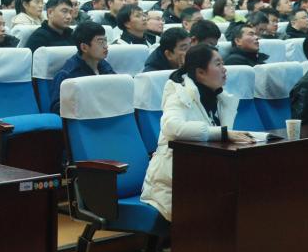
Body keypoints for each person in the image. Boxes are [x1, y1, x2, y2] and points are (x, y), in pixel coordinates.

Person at [141, 44, 255, 221]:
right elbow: (172, 127)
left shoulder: (220, 98)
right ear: (200, 72)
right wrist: (221, 133)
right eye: (218, 64)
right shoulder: (179, 93)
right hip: (174, 182)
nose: (224, 69)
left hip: (204, 175)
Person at [48, 22, 115, 114]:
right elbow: (57, 109)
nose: (106, 46)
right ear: (84, 47)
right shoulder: (67, 74)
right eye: (100, 42)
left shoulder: (104, 65)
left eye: (105, 41)